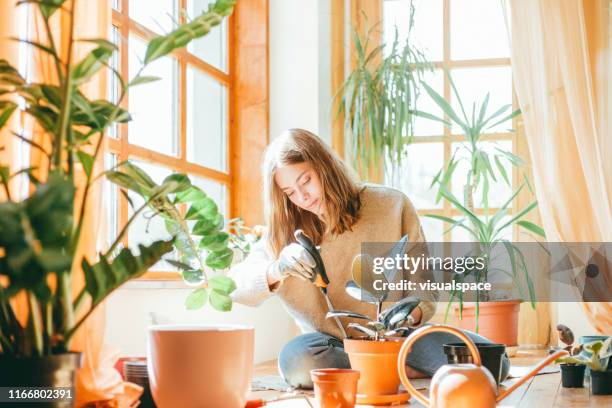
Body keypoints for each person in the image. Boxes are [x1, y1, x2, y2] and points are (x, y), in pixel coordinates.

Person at [229, 128, 509, 388]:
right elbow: (237, 287)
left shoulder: (390, 205)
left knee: (492, 362)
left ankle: (381, 369)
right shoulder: (283, 233)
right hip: (332, 346)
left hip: (398, 340)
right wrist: (277, 268)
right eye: (290, 192)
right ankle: (395, 371)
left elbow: (424, 287)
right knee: (298, 362)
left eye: (306, 180)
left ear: (325, 168)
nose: (302, 196)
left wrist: (407, 318)